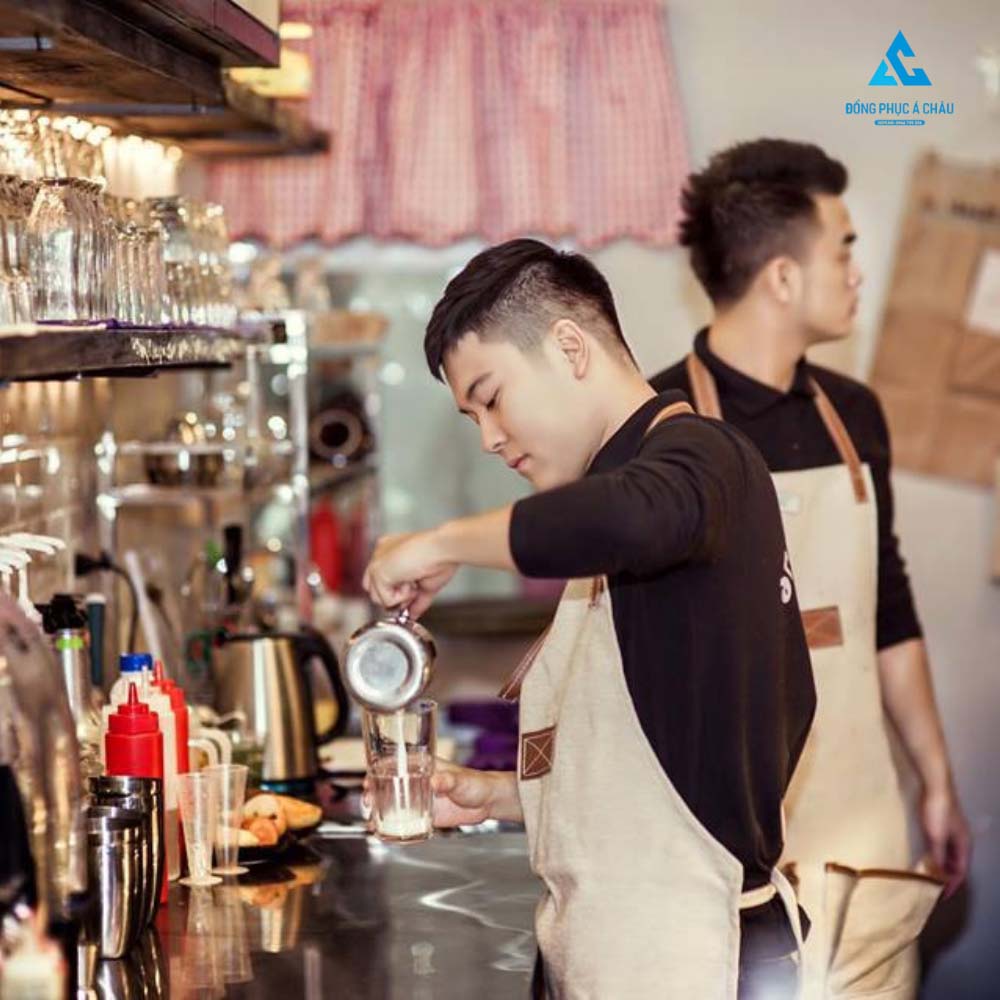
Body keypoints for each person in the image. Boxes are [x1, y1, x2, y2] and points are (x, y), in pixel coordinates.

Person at [361, 238, 815, 998]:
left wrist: (441, 542)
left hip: (693, 959)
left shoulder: (702, 460)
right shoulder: (626, 502)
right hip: (621, 950)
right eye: (472, 417)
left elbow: (628, 516)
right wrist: (502, 795)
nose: (489, 438)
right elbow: (668, 766)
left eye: (492, 397)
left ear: (569, 347)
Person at [651, 138, 971, 999]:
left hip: (864, 829)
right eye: (844, 249)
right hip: (728, 856)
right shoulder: (663, 429)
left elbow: (888, 609)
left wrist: (936, 779)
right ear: (784, 277)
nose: (857, 273)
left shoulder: (854, 415)